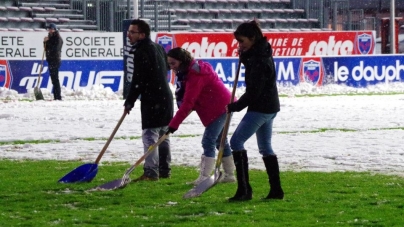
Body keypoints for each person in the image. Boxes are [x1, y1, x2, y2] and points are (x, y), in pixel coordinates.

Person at [226, 20, 284, 201]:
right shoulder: (260, 52)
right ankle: (276, 191)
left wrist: (235, 106)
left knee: (236, 142)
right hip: (269, 106)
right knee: (266, 147)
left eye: (242, 41)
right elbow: (253, 72)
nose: (239, 45)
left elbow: (254, 91)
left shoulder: (259, 59)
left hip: (261, 107)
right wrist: (244, 57)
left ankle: (244, 190)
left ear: (252, 38)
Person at [166, 47, 236, 185]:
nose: (171, 67)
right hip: (218, 106)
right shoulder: (190, 72)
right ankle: (229, 175)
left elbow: (188, 102)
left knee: (208, 140)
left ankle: (204, 177)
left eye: (173, 63)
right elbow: (189, 102)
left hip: (221, 107)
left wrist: (173, 124)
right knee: (220, 141)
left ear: (182, 61)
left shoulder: (195, 75)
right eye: (169, 64)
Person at [124, 19, 174, 181]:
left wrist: (129, 101)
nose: (128, 34)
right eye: (129, 31)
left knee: (150, 135)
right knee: (163, 135)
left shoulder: (142, 51)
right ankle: (164, 169)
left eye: (132, 32)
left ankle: (151, 172)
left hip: (153, 99)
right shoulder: (158, 47)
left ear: (142, 35)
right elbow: (165, 68)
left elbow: (138, 79)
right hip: (165, 96)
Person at [44, 23, 63, 100]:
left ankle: (58, 96)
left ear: (55, 29)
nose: (50, 30)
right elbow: (46, 48)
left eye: (51, 29)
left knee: (55, 79)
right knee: (53, 79)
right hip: (51, 60)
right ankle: (56, 96)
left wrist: (47, 42)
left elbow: (55, 49)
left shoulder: (58, 38)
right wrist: (45, 42)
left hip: (55, 60)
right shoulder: (50, 37)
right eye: (49, 29)